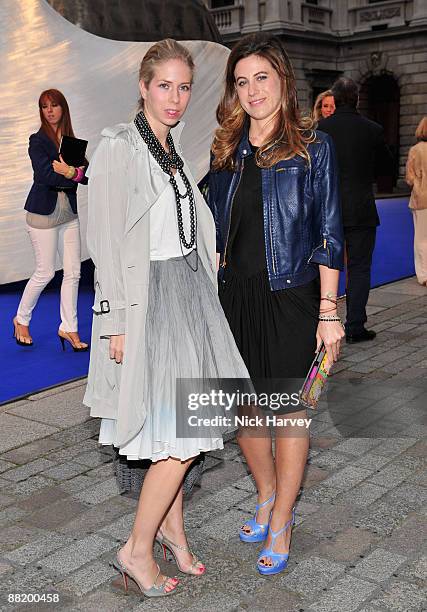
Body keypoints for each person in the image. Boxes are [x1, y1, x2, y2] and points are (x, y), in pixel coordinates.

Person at [83, 39, 249, 597]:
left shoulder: (170, 145)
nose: (175, 98)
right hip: (147, 302)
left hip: (188, 293)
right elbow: (104, 243)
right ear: (143, 85)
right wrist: (117, 323)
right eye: (164, 86)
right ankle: (135, 549)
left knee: (172, 428)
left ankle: (172, 532)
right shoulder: (119, 148)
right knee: (182, 434)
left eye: (183, 87)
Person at [208, 33, 344, 576]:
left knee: (289, 417)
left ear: (283, 80)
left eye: (261, 77)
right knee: (244, 408)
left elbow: (329, 233)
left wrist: (329, 313)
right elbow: (215, 229)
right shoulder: (226, 149)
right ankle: (265, 494)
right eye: (242, 81)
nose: (252, 90)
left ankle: (284, 517)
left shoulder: (314, 146)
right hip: (235, 296)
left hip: (292, 297)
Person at [318, 77, 393, 343]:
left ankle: (322, 320)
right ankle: (355, 327)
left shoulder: (320, 129)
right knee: (359, 268)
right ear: (357, 98)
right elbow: (386, 167)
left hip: (328, 211)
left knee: (324, 266)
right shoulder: (372, 129)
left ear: (335, 100)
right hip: (361, 209)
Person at [13, 89, 88, 351]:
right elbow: (45, 176)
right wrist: (72, 173)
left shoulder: (72, 142)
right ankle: (21, 320)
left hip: (68, 215)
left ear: (63, 108)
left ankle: (69, 328)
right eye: (45, 107)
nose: (50, 110)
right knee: (45, 272)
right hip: (42, 214)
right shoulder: (37, 141)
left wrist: (70, 171)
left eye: (54, 105)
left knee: (74, 273)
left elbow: (86, 175)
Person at [406, 116, 427, 286]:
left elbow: (409, 177)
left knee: (421, 238)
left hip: (421, 198)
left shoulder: (415, 149)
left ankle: (423, 274)